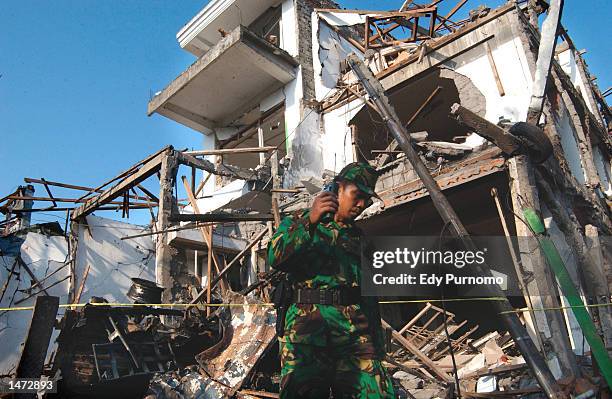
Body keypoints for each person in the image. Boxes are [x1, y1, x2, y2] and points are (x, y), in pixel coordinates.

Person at [268, 162, 395, 399]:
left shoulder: (359, 239)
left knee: (376, 392)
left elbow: (369, 295)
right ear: (337, 189)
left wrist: (377, 346)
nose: (361, 205)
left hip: (354, 332)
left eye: (366, 200)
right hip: (307, 331)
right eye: (356, 195)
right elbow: (275, 257)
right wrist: (310, 222)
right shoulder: (299, 221)